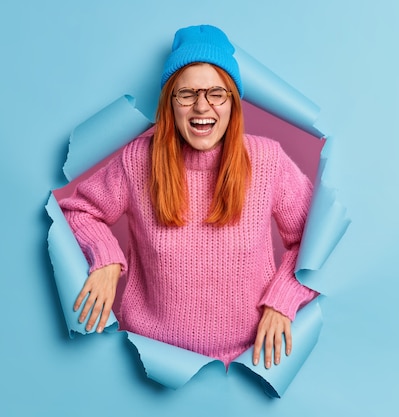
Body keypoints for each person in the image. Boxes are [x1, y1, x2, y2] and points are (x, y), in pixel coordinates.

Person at [59, 24, 318, 369]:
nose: (202, 107)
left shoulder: (267, 161)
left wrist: (282, 300)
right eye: (187, 94)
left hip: (246, 363)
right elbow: (79, 211)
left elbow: (316, 242)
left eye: (216, 93)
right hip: (150, 364)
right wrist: (105, 257)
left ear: (232, 102)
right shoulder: (139, 160)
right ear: (171, 102)